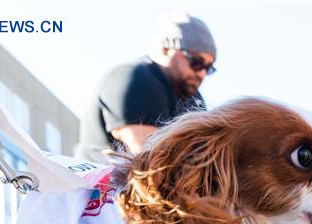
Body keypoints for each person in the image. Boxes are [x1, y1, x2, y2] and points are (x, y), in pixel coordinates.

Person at [78, 11, 216, 162]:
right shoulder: (135, 78)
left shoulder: (193, 99)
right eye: (196, 61)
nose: (202, 73)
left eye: (209, 67)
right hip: (97, 182)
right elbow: (151, 160)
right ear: (166, 49)